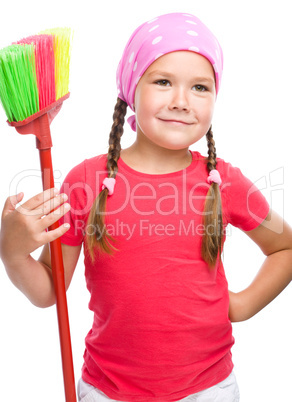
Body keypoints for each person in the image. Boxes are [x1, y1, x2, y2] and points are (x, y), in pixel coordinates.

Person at [1, 12, 292, 402]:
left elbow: (284, 247)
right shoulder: (85, 182)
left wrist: (239, 306)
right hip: (108, 390)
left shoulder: (222, 181)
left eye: (200, 87)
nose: (181, 101)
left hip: (207, 389)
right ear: (131, 89)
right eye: (163, 82)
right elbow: (48, 291)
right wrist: (12, 251)